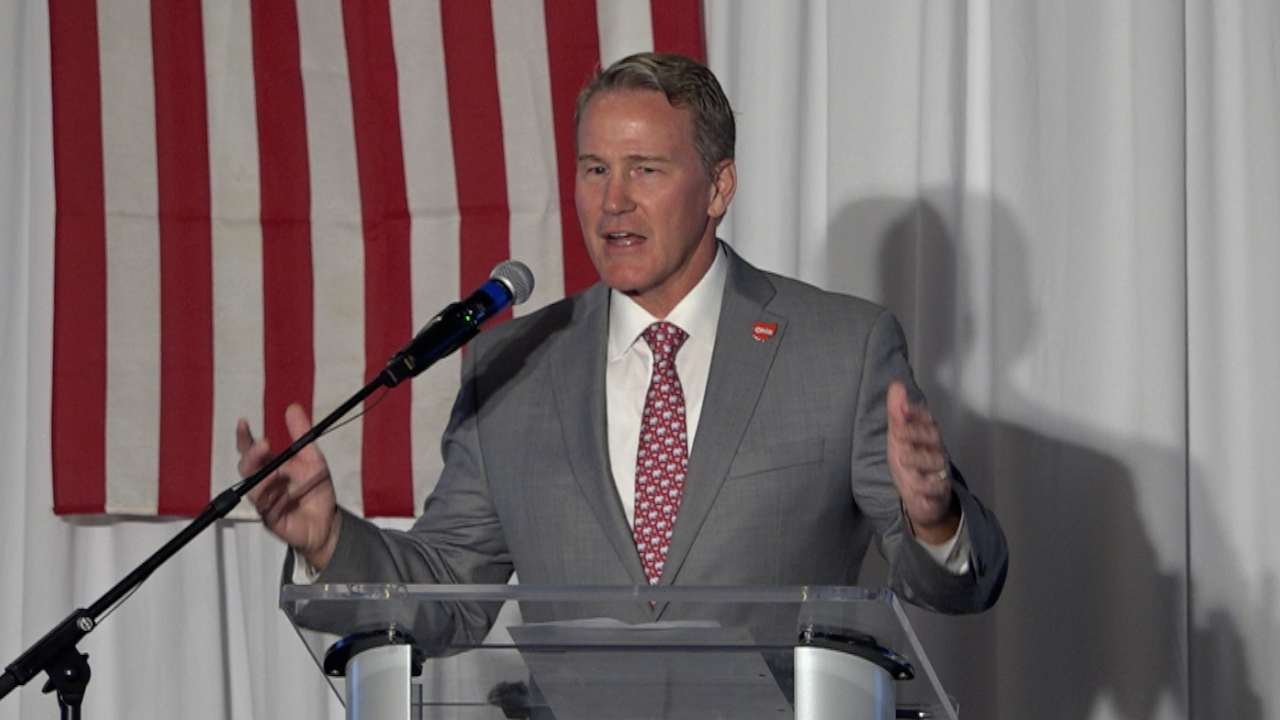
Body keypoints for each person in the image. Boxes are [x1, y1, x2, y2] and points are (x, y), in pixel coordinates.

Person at [238, 53, 1007, 645]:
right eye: (595, 169)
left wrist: (934, 520)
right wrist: (331, 541)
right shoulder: (512, 365)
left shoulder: (842, 349)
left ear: (718, 186)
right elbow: (448, 593)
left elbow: (955, 586)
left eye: (646, 169)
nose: (614, 202)